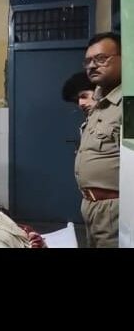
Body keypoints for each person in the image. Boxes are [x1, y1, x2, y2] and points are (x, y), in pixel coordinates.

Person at [75, 32, 122, 247]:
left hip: (115, 209)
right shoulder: (100, 104)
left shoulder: (127, 104)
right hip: (92, 207)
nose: (92, 66)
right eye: (88, 61)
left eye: (101, 59)